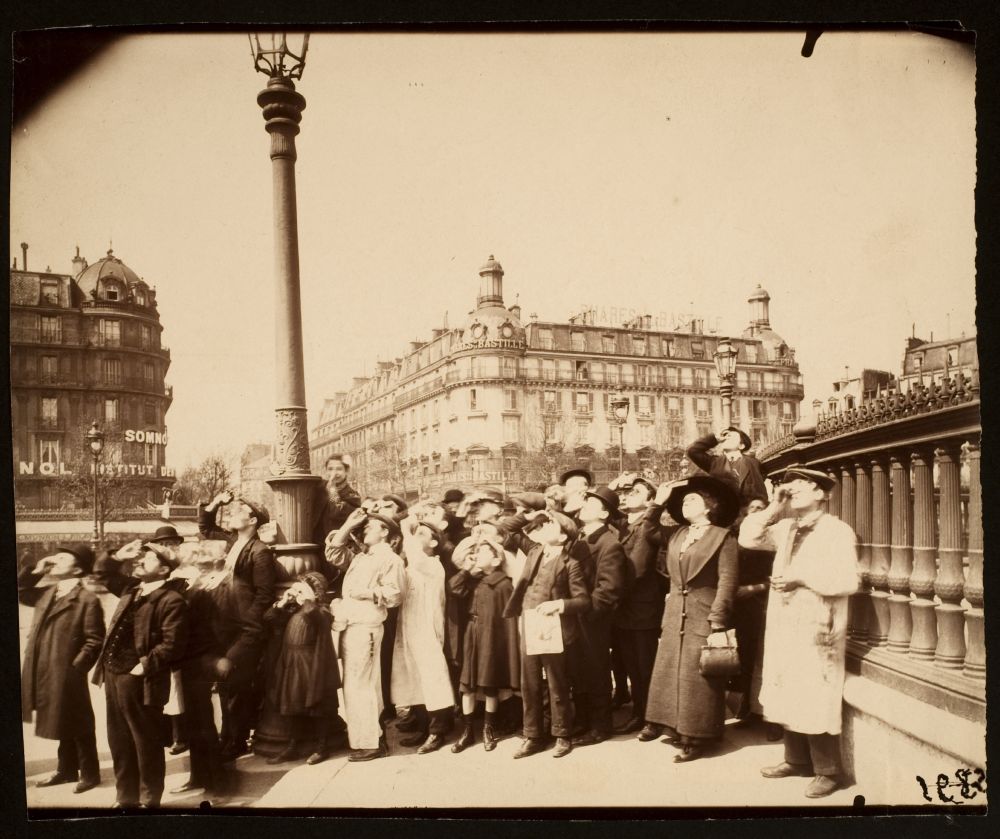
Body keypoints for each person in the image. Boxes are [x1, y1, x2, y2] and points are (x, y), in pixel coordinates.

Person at [739, 466, 859, 798]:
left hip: (818, 624)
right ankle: (796, 760)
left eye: (804, 485)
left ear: (823, 494)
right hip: (785, 621)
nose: (795, 489)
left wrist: (802, 580)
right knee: (785, 685)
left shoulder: (837, 531)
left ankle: (828, 770)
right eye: (791, 485)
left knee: (815, 692)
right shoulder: (787, 527)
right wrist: (774, 508)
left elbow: (849, 581)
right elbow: (747, 537)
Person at [642, 476, 740, 762]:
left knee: (699, 678)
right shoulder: (678, 535)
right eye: (684, 500)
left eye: (693, 500)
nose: (686, 503)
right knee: (673, 672)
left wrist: (718, 620)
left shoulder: (723, 536)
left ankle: (698, 736)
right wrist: (656, 504)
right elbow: (648, 531)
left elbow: (727, 581)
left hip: (704, 613)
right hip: (674, 614)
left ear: (710, 507)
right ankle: (675, 726)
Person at [92, 545, 188, 808]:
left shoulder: (171, 600)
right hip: (113, 675)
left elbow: (173, 644)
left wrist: (144, 665)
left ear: (164, 569)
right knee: (119, 740)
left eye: (149, 559)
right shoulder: (132, 589)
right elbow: (102, 573)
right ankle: (125, 798)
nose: (141, 561)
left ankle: (149, 800)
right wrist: (116, 557)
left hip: (142, 679)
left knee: (145, 742)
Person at [503, 510, 591, 760]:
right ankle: (533, 736)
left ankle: (563, 734)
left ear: (563, 535)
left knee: (557, 683)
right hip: (529, 624)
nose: (543, 525)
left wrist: (559, 605)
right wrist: (529, 514)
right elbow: (509, 528)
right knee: (529, 683)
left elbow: (583, 601)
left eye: (551, 523)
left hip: (555, 629)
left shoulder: (570, 564)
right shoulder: (534, 551)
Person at [198, 490, 278, 761]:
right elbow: (206, 528)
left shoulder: (260, 551)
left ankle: (237, 739)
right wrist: (215, 503)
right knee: (225, 684)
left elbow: (264, 595)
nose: (231, 513)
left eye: (237, 510)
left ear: (253, 520)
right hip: (223, 625)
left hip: (244, 629)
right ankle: (229, 737)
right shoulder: (232, 541)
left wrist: (248, 626)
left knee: (236, 684)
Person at [19, 544, 105, 794]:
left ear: (77, 568)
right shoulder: (50, 591)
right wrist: (35, 570)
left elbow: (95, 639)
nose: (54, 559)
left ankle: (90, 773)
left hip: (67, 670)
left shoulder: (87, 599)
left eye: (62, 557)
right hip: (45, 666)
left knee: (79, 720)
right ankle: (66, 769)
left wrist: (76, 668)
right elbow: (21, 591)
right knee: (60, 715)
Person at [326, 507, 406, 762]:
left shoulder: (390, 559)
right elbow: (333, 553)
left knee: (360, 685)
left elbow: (396, 595)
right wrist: (349, 524)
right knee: (360, 684)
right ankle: (370, 737)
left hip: (366, 626)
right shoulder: (363, 556)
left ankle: (370, 741)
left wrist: (369, 593)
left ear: (385, 532)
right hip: (353, 625)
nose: (364, 530)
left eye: (370, 526)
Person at [163, 554, 228, 800]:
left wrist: (213, 658)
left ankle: (218, 783)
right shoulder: (187, 587)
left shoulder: (201, 592)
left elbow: (213, 630)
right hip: (185, 663)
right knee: (193, 725)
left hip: (198, 663)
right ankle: (199, 777)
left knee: (203, 725)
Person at [448, 536, 521, 753]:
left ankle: (488, 728)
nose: (477, 554)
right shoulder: (473, 580)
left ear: (497, 560)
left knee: (490, 685)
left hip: (492, 639)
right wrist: (466, 570)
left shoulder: (504, 585)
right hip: (473, 635)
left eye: (483, 551)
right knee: (467, 686)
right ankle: (468, 731)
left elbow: (508, 621)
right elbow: (453, 589)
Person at [390, 515, 455, 754]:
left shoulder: (432, 565)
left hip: (426, 627)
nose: (415, 539)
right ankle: (423, 726)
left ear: (434, 543)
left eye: (422, 535)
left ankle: (438, 730)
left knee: (431, 676)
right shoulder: (412, 565)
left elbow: (415, 557)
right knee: (412, 674)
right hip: (408, 625)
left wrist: (407, 531)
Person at [609, 475, 668, 735]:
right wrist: (610, 488)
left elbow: (638, 568)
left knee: (644, 665)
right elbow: (601, 509)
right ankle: (640, 712)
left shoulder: (648, 524)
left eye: (636, 491)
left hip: (642, 606)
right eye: (627, 491)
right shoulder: (623, 523)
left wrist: (609, 590)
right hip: (624, 606)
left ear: (649, 500)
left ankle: (650, 718)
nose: (628, 495)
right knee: (631, 663)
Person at [263, 572, 341, 766]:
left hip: (310, 664)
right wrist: (282, 603)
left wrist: (307, 599)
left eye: (301, 588)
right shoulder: (294, 610)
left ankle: (322, 747)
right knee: (292, 704)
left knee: (316, 705)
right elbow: (269, 618)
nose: (296, 592)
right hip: (291, 661)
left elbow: (318, 619)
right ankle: (292, 745)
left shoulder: (320, 610)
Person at [570, 486, 628, 747]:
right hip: (575, 616)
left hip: (592, 619)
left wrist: (587, 612)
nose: (584, 506)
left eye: (591, 503)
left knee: (596, 672)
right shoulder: (579, 538)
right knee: (579, 671)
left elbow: (609, 588)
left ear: (604, 514)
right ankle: (582, 720)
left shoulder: (609, 544)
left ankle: (600, 726)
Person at [686, 427, 767, 515]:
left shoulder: (753, 463)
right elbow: (692, 451)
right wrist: (715, 439)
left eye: (730, 436)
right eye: (725, 436)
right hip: (724, 515)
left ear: (741, 445)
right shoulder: (714, 463)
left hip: (749, 514)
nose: (726, 437)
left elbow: (760, 488)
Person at [311, 454, 362, 547]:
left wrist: (332, 489)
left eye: (339, 469)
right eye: (330, 469)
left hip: (336, 545)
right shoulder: (319, 486)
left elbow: (337, 511)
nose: (334, 473)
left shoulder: (352, 496)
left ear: (346, 471)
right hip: (315, 542)